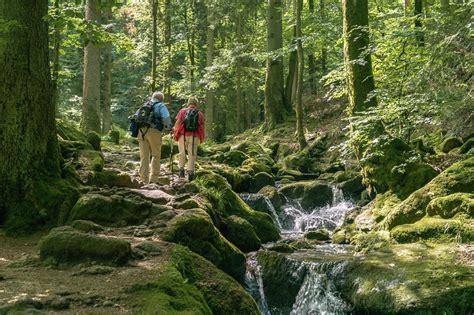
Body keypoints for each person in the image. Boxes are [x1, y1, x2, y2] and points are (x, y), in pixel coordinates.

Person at [136, 92, 172, 184]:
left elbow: (136, 117)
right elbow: (166, 117)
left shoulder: (144, 105)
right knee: (156, 155)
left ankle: (144, 179)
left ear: (153, 98)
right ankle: (153, 179)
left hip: (141, 131)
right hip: (154, 131)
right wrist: (170, 128)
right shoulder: (160, 105)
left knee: (144, 156)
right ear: (161, 99)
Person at [173, 96, 205, 181]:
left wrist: (174, 132)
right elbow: (201, 126)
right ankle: (190, 173)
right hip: (195, 136)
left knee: (182, 153)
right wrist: (201, 137)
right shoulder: (200, 114)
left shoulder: (182, 111)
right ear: (196, 104)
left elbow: (178, 122)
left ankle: (181, 171)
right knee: (192, 154)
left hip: (183, 135)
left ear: (188, 103)